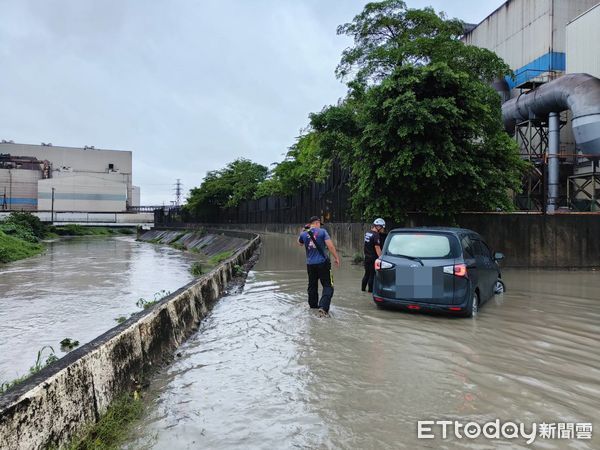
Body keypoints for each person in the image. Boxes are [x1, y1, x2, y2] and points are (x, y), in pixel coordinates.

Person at [297, 216, 341, 317]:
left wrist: (303, 231)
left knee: (312, 285)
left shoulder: (304, 233)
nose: (319, 226)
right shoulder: (323, 232)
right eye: (319, 224)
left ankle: (313, 306)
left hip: (310, 264)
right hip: (323, 263)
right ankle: (323, 308)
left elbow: (299, 243)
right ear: (316, 223)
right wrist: (336, 257)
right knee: (328, 285)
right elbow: (330, 246)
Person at [361, 218, 386, 293]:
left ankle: (362, 290)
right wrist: (381, 258)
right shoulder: (376, 235)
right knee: (372, 275)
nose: (383, 230)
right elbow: (377, 248)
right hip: (373, 259)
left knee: (366, 274)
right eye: (382, 228)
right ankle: (370, 292)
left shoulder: (368, 233)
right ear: (378, 227)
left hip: (367, 258)